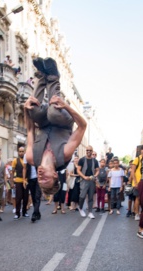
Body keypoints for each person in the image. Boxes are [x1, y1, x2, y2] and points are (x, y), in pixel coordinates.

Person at [24, 57, 87, 196]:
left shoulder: (31, 158)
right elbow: (82, 126)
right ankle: (53, 77)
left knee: (32, 111)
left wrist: (25, 109)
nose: (40, 175)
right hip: (62, 121)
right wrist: (66, 106)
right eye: (44, 178)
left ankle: (41, 76)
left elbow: (29, 129)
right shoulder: (64, 154)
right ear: (55, 175)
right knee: (53, 111)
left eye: (40, 179)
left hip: (43, 122)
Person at [77, 146, 99, 218]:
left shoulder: (95, 161)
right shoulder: (82, 160)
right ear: (86, 151)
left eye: (90, 150)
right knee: (82, 196)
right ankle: (80, 208)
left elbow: (97, 170)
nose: (88, 151)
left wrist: (94, 176)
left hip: (91, 180)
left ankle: (90, 212)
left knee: (90, 197)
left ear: (92, 151)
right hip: (84, 180)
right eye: (87, 150)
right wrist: (84, 177)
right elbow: (78, 170)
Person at [130, 144, 143, 221]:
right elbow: (132, 171)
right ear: (140, 150)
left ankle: (142, 213)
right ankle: (137, 213)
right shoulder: (137, 159)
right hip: (138, 182)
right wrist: (135, 182)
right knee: (138, 198)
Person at [23, 152, 41, 222]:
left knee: (37, 196)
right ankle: (38, 213)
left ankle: (34, 214)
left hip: (38, 178)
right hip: (30, 179)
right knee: (33, 197)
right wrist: (24, 179)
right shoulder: (26, 155)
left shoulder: (39, 153)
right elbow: (24, 168)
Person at [12, 147, 29, 219]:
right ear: (18, 152)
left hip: (26, 181)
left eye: (22, 151)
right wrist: (12, 181)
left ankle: (24, 212)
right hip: (18, 181)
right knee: (18, 198)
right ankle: (17, 213)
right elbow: (12, 171)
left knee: (26, 198)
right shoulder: (15, 160)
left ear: (25, 152)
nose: (21, 153)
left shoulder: (28, 160)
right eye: (20, 151)